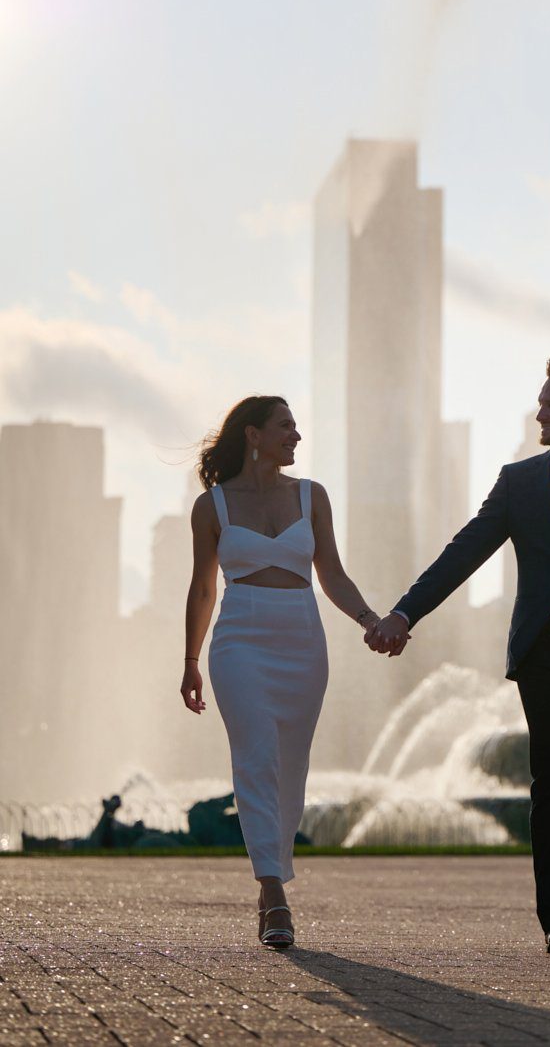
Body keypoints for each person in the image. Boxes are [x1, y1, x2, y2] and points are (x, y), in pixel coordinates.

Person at [368, 356, 550, 953]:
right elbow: (465, 552)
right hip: (544, 653)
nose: (541, 413)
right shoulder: (520, 482)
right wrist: (405, 613)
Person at [181, 395, 381, 948]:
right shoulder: (212, 507)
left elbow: (332, 573)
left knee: (291, 767)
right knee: (255, 758)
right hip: (239, 636)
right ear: (253, 434)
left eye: (296, 427)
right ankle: (272, 894)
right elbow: (203, 588)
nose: (295, 435)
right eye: (285, 426)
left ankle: (275, 868)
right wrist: (191, 661)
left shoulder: (312, 496)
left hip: (301, 635)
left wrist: (368, 618)